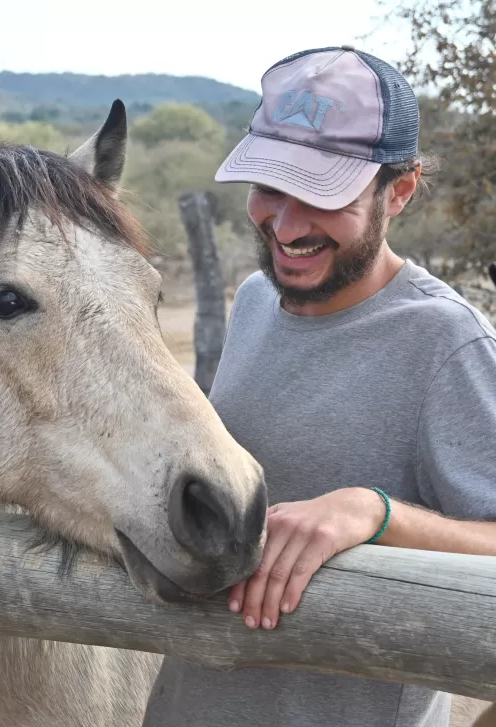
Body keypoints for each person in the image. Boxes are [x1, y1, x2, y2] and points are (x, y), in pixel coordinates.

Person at [142, 46, 496, 727]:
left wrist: (375, 513)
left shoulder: (449, 344)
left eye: (323, 195)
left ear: (401, 190)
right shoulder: (253, 301)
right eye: (271, 189)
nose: (288, 225)